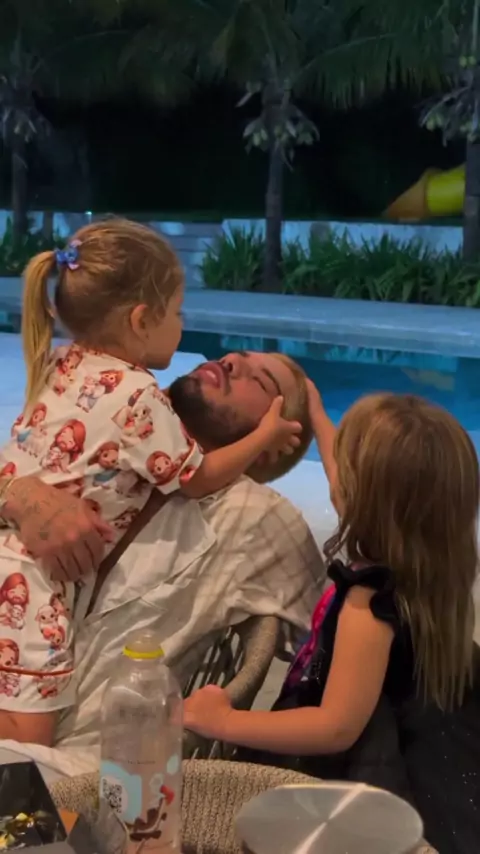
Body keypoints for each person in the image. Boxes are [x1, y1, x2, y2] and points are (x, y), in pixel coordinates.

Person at [0, 220, 302, 744]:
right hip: (33, 585)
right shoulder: (139, 401)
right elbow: (197, 478)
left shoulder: (67, 367)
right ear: (141, 321)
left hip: (21, 575)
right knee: (28, 733)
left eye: (261, 379)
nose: (230, 358)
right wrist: (264, 437)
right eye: (178, 313)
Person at [0, 348, 322, 773]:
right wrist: (16, 494)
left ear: (271, 445)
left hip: (82, 777)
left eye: (260, 381)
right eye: (235, 354)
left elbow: (341, 626)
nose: (230, 361)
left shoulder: (254, 518)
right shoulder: (107, 438)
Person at [184, 392, 480, 851]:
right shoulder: (431, 564)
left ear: (364, 500)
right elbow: (350, 475)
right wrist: (318, 414)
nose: (332, 472)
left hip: (368, 766)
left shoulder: (369, 605)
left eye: (343, 468)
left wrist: (223, 721)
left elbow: (335, 727)